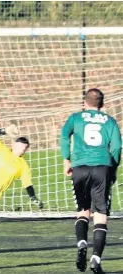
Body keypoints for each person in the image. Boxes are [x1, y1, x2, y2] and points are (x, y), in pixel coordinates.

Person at [60, 88, 121, 274]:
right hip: (102, 167)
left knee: (83, 210)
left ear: (85, 103)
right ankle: (95, 260)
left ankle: (81, 244)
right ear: (102, 105)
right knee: (101, 214)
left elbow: (64, 136)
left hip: (80, 167)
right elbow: (117, 146)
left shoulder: (75, 117)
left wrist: (66, 161)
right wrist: (113, 168)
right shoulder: (110, 121)